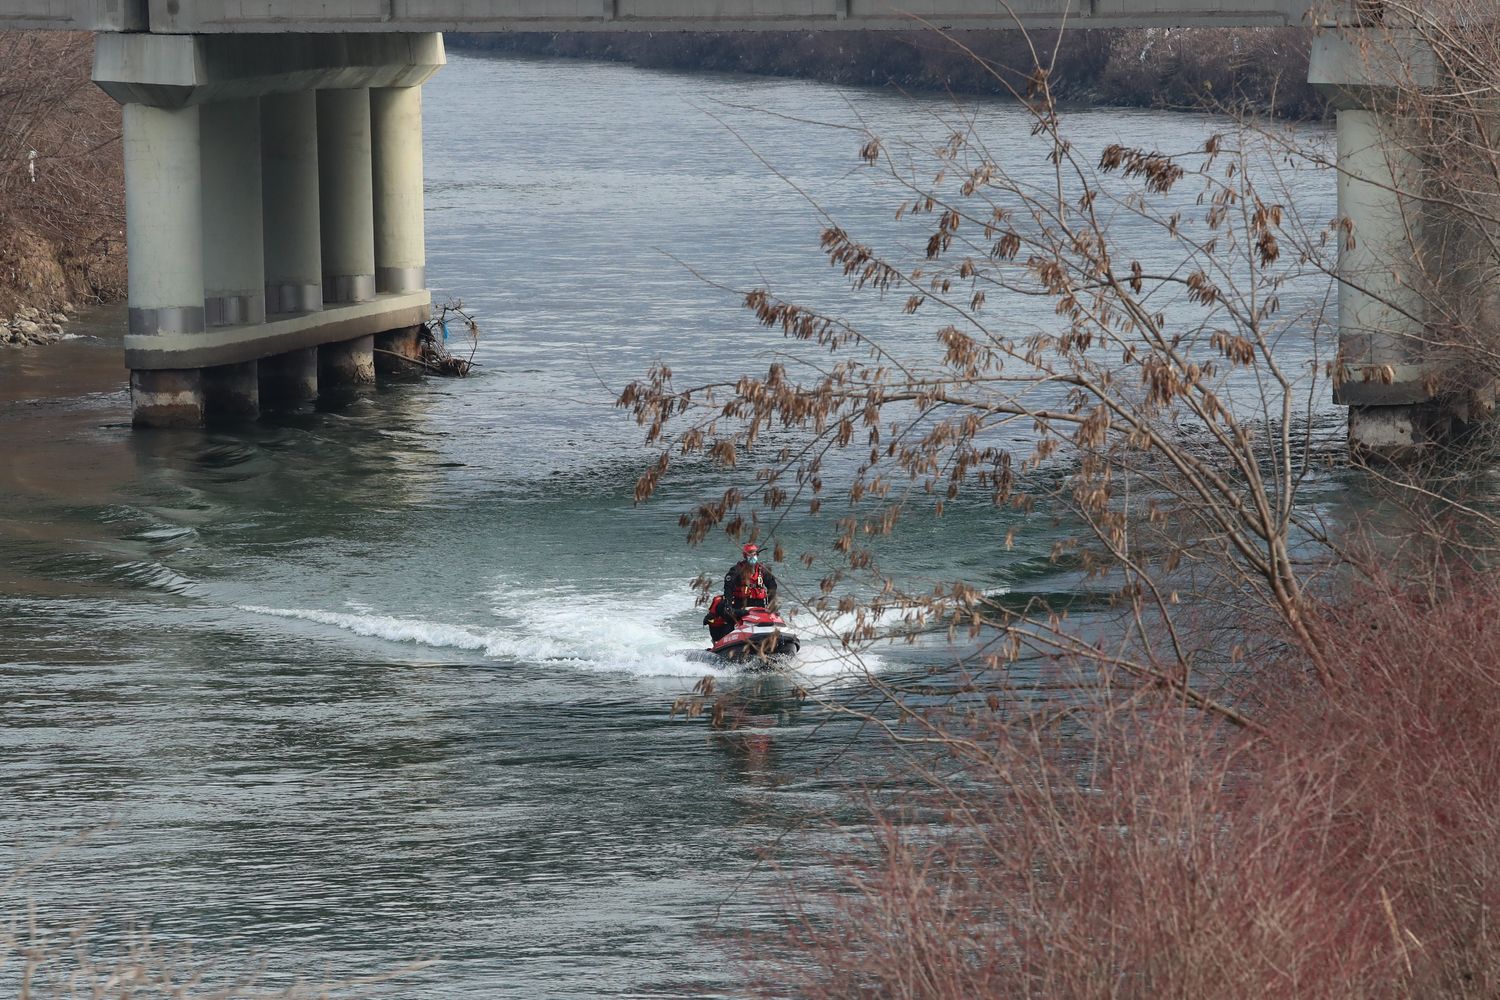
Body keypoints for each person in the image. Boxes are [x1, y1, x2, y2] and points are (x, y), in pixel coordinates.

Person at [704, 542, 779, 642]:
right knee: (724, 612)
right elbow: (728, 589)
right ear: (745, 556)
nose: (753, 557)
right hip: (741, 605)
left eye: (755, 554)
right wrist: (729, 606)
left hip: (759, 607)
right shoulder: (736, 570)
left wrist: (771, 606)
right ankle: (721, 641)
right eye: (750, 554)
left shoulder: (763, 570)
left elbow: (772, 587)